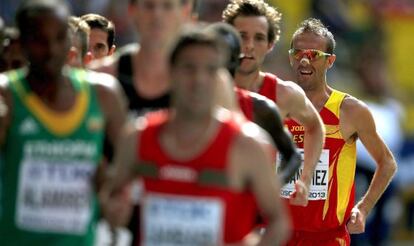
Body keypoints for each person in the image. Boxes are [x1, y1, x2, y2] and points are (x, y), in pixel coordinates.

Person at [101, 27, 290, 246]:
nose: (199, 79)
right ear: (170, 73)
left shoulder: (248, 145)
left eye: (210, 70)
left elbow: (278, 222)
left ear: (221, 78)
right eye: (189, 68)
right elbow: (110, 198)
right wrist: (113, 211)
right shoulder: (137, 136)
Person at [0, 0, 127, 245]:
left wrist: (112, 188)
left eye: (60, 38)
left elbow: (130, 167)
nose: (51, 49)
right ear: (22, 43)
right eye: (40, 39)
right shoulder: (6, 96)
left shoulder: (103, 95)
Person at [284, 18, 397, 245]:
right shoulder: (275, 103)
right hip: (278, 232)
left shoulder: (350, 110)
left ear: (330, 62)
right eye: (298, 53)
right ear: (290, 57)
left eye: (314, 54)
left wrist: (363, 209)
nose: (304, 60)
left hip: (327, 237)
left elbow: (387, 163)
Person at [222, 0, 325, 206]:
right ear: (228, 39)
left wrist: (304, 181)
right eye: (242, 36)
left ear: (270, 45)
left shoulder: (284, 94)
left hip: (258, 216)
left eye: (259, 38)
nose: (249, 45)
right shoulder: (204, 87)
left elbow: (315, 127)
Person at [207, 22, 301, 184]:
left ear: (236, 62)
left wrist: (270, 188)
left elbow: (293, 156)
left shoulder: (259, 108)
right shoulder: (172, 107)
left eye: (222, 61)